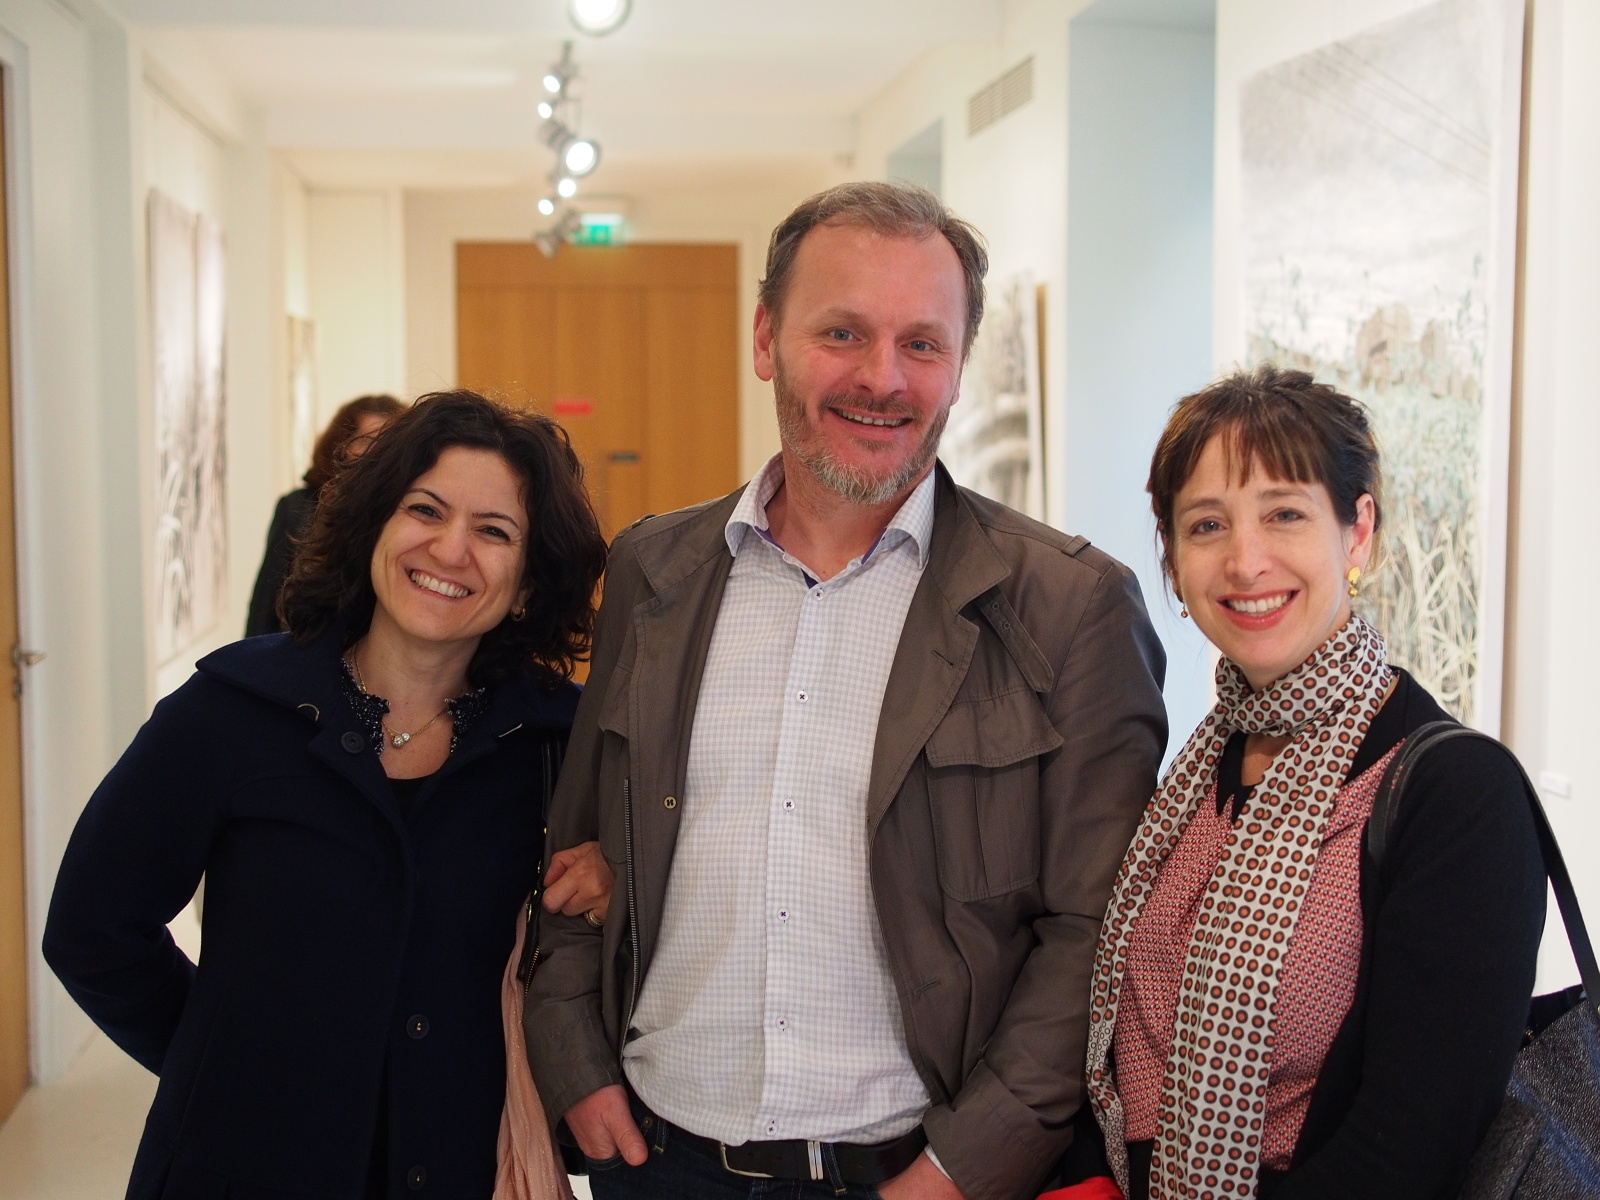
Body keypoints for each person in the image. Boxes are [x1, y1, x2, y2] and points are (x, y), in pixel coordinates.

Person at [523, 181, 1169, 1200]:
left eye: (922, 343)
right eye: (842, 333)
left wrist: (964, 1168)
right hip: (661, 1160)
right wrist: (576, 1064)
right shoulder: (653, 570)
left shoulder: (1069, 607)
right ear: (765, 338)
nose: (882, 378)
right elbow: (579, 854)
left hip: (912, 1175)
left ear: (960, 364)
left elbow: (1095, 934)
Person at [45, 391, 616, 1200]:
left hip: (464, 1165)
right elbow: (92, 928)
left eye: (494, 531)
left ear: (528, 584)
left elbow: (633, 924)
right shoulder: (233, 710)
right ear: (375, 526)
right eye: (425, 510)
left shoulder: (562, 742)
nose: (451, 549)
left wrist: (612, 888)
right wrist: (218, 1068)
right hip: (239, 1172)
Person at [1081, 366, 1546, 1200]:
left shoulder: (1460, 796)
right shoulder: (1197, 770)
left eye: (1285, 514)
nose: (1245, 561)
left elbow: (1412, 1151)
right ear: (1174, 562)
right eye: (1207, 525)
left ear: (1356, 531)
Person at [246, 393, 405, 638]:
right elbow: (266, 600)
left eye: (388, 442)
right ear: (341, 445)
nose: (377, 452)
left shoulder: (405, 514)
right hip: (305, 644)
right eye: (366, 441)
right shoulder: (296, 507)